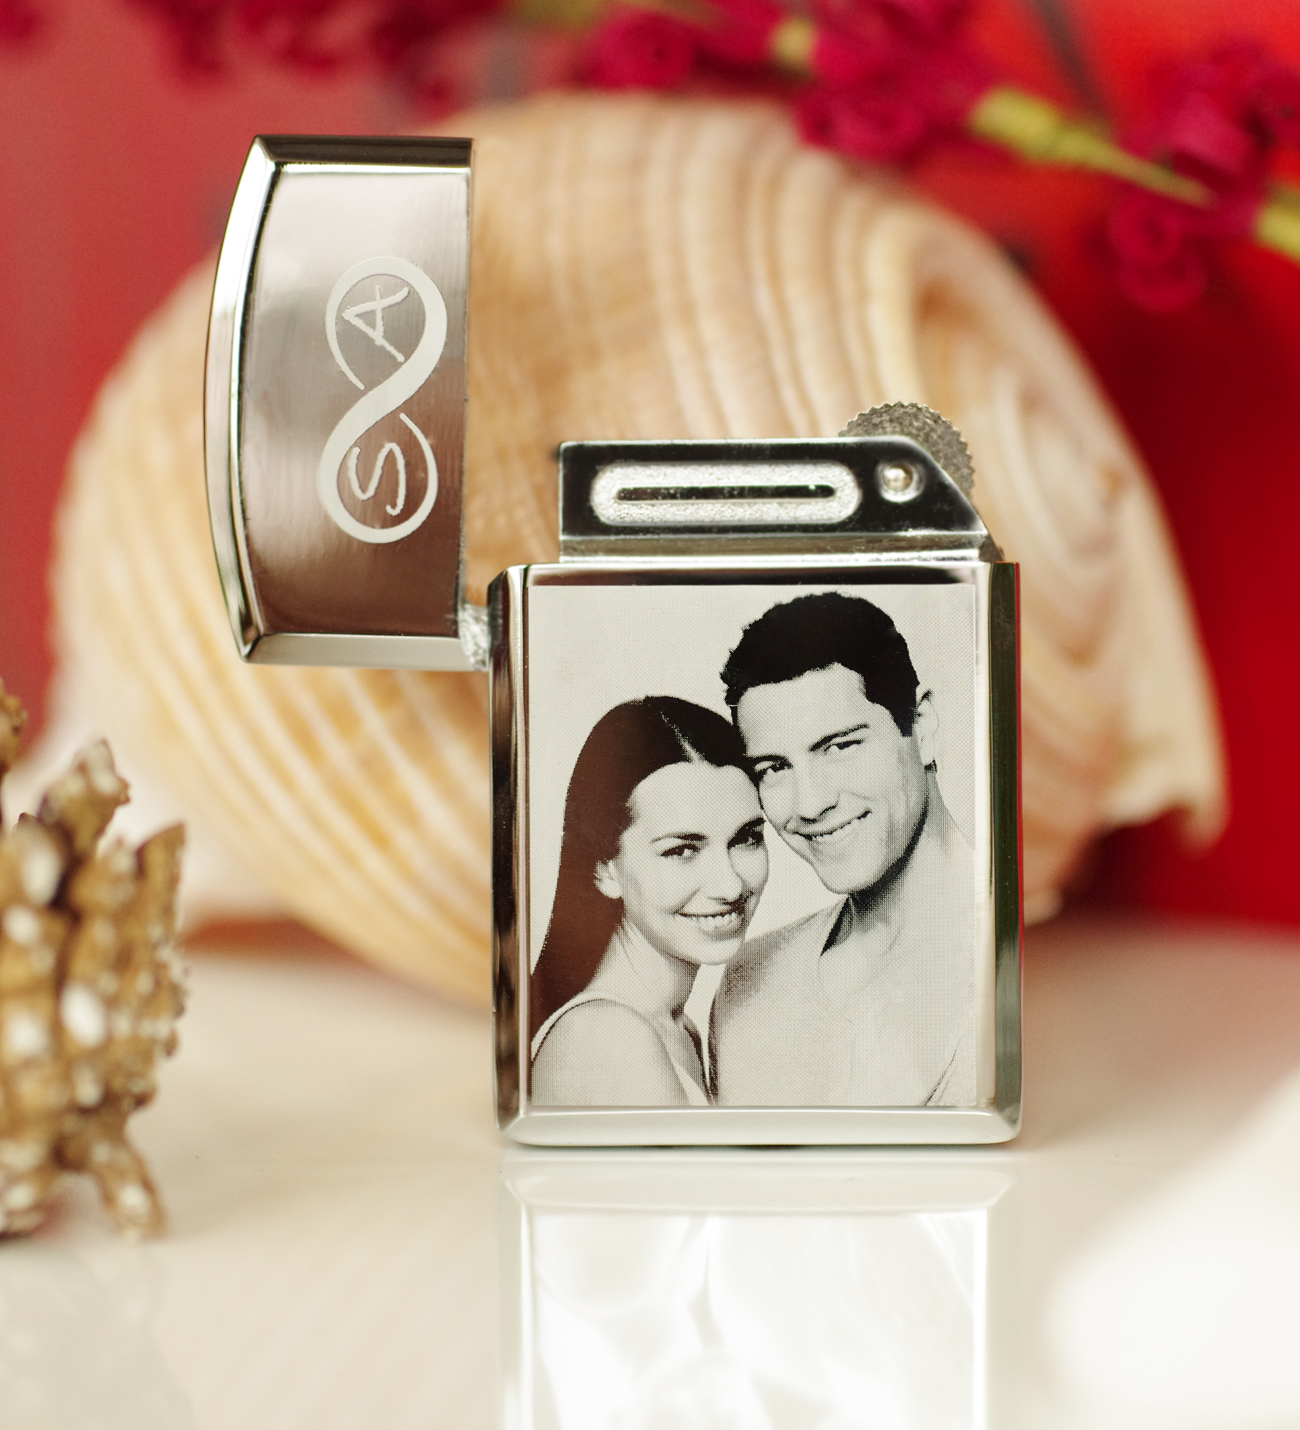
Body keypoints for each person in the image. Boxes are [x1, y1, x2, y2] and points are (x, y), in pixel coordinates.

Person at [713, 591, 976, 1107]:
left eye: (839, 746)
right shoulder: (749, 981)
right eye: (774, 768)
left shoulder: (1018, 955)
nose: (811, 803)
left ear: (922, 726)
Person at [531, 696, 769, 1107]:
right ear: (605, 869)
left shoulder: (675, 1028)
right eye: (682, 850)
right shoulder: (608, 1039)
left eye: (746, 838)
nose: (730, 885)